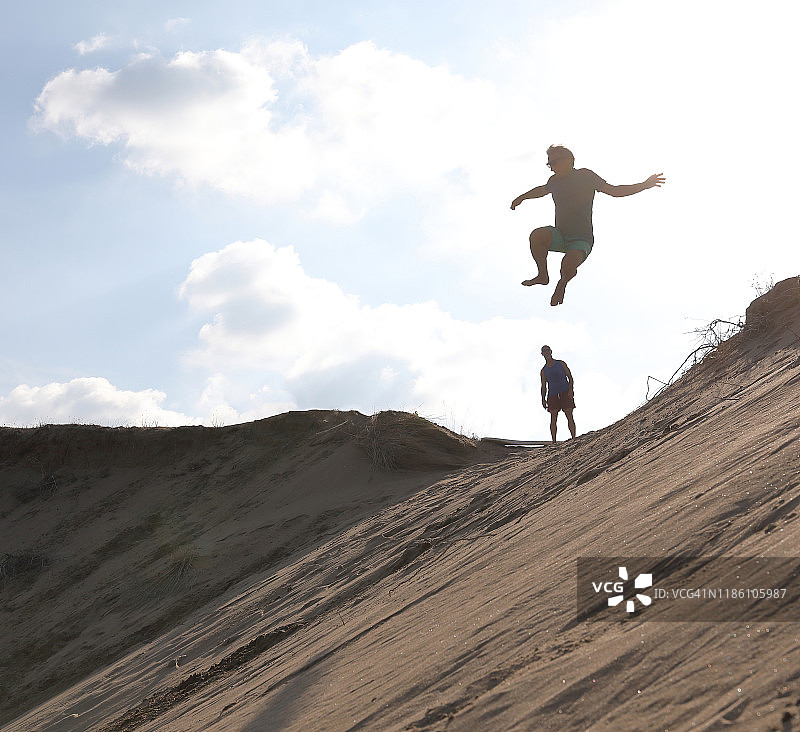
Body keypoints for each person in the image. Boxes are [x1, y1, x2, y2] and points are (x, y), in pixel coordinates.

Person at [511, 145, 665, 306]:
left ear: (569, 160)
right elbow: (541, 190)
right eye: (549, 165)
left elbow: (614, 191)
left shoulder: (585, 176)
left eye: (554, 163)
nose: (552, 168)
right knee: (537, 235)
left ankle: (562, 283)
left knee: (568, 265)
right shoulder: (554, 181)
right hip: (560, 234)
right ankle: (542, 275)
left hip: (581, 239)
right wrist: (522, 197)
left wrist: (644, 185)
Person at [540, 345, 576, 443]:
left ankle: (573, 438)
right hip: (552, 394)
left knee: (569, 415)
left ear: (550, 351)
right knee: (553, 418)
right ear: (542, 354)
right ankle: (554, 441)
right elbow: (543, 386)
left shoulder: (560, 363)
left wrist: (571, 390)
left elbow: (570, 377)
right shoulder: (543, 371)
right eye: (544, 351)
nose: (546, 352)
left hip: (564, 391)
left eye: (547, 350)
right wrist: (543, 399)